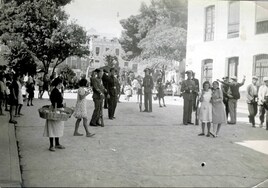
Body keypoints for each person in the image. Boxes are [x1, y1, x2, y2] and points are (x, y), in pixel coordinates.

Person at [43, 78, 65, 152]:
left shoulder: (56, 91)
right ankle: (51, 145)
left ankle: (57, 143)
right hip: (55, 110)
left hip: (57, 109)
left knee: (57, 128)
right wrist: (62, 105)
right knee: (52, 128)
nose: (62, 85)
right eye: (61, 83)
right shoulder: (55, 92)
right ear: (59, 84)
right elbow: (56, 102)